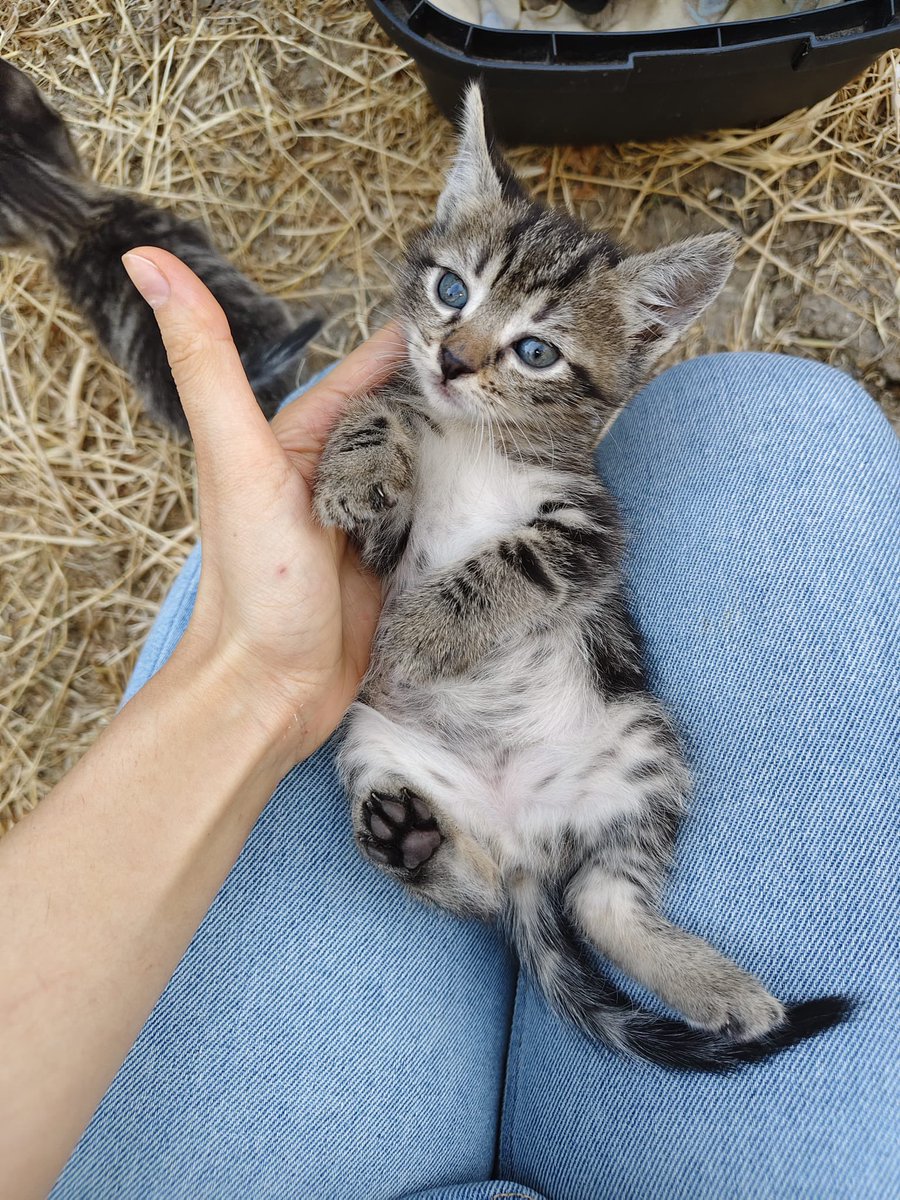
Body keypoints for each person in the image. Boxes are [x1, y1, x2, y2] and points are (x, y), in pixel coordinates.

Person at [0, 249, 896, 1200]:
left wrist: (298, 661)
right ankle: (469, 878)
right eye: (453, 294)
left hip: (560, 736)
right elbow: (369, 522)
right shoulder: (397, 424)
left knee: (631, 750)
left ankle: (614, 913)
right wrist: (363, 460)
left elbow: (572, 557)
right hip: (425, 741)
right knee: (789, 421)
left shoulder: (559, 491)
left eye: (535, 349)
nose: (461, 353)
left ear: (635, 345)